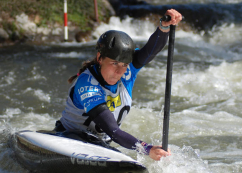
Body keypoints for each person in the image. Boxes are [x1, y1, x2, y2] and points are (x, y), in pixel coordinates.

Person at [55, 9, 183, 161]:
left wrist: (164, 27)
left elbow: (150, 51)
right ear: (100, 58)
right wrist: (147, 148)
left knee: (104, 145)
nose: (119, 71)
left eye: (124, 65)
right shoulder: (87, 84)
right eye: (114, 63)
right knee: (92, 139)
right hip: (68, 139)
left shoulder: (129, 70)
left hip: (101, 144)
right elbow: (113, 130)